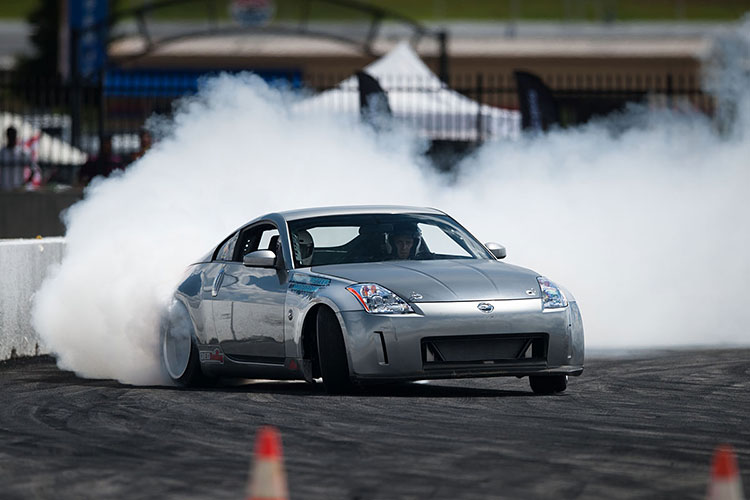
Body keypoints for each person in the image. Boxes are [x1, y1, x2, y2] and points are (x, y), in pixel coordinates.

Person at [0, 126, 31, 191]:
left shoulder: (22, 153)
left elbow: (33, 168)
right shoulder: (2, 153)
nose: (12, 137)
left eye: (13, 134)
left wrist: (25, 183)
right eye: (10, 134)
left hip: (18, 188)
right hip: (4, 188)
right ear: (7, 136)